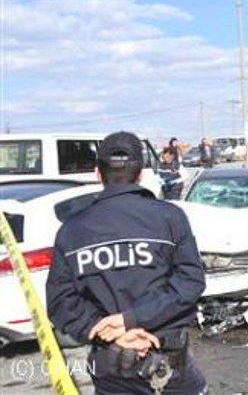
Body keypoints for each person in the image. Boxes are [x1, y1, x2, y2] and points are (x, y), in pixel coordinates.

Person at [46, 132, 207, 394]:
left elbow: (61, 302)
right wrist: (131, 322)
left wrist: (117, 329)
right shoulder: (170, 217)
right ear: (141, 173)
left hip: (111, 367)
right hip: (169, 365)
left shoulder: (71, 230)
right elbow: (190, 282)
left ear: (98, 174)